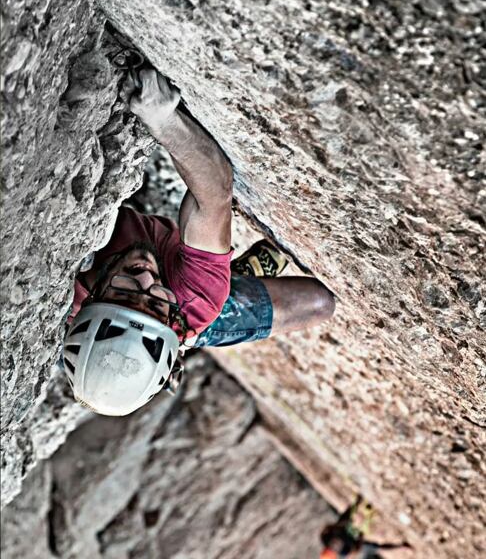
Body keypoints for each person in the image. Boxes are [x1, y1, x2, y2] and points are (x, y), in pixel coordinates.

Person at [63, 68, 335, 416]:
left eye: (126, 292)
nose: (145, 276)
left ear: (92, 297)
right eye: (154, 303)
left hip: (154, 317)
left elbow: (212, 197)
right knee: (318, 302)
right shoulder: (192, 303)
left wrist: (164, 120)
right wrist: (164, 120)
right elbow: (215, 193)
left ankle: (205, 280)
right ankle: (207, 298)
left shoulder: (68, 285)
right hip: (183, 314)